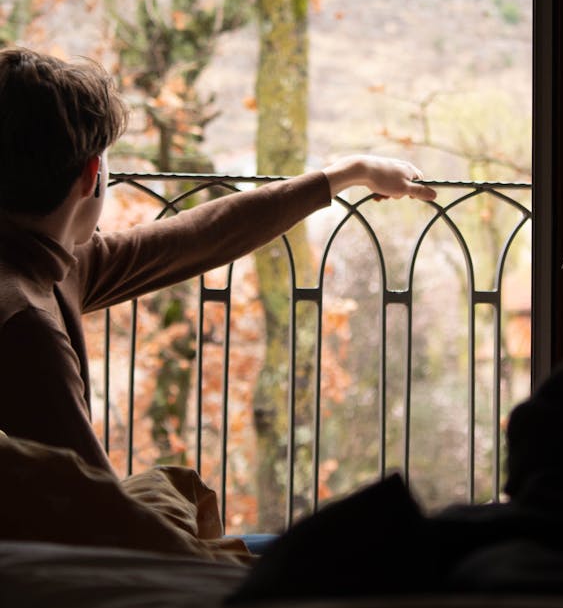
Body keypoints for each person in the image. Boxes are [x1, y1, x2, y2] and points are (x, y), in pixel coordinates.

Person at [0, 46, 436, 476]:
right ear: (92, 176)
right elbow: (96, 511)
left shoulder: (44, 264)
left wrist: (346, 174)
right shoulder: (27, 325)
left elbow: (201, 236)